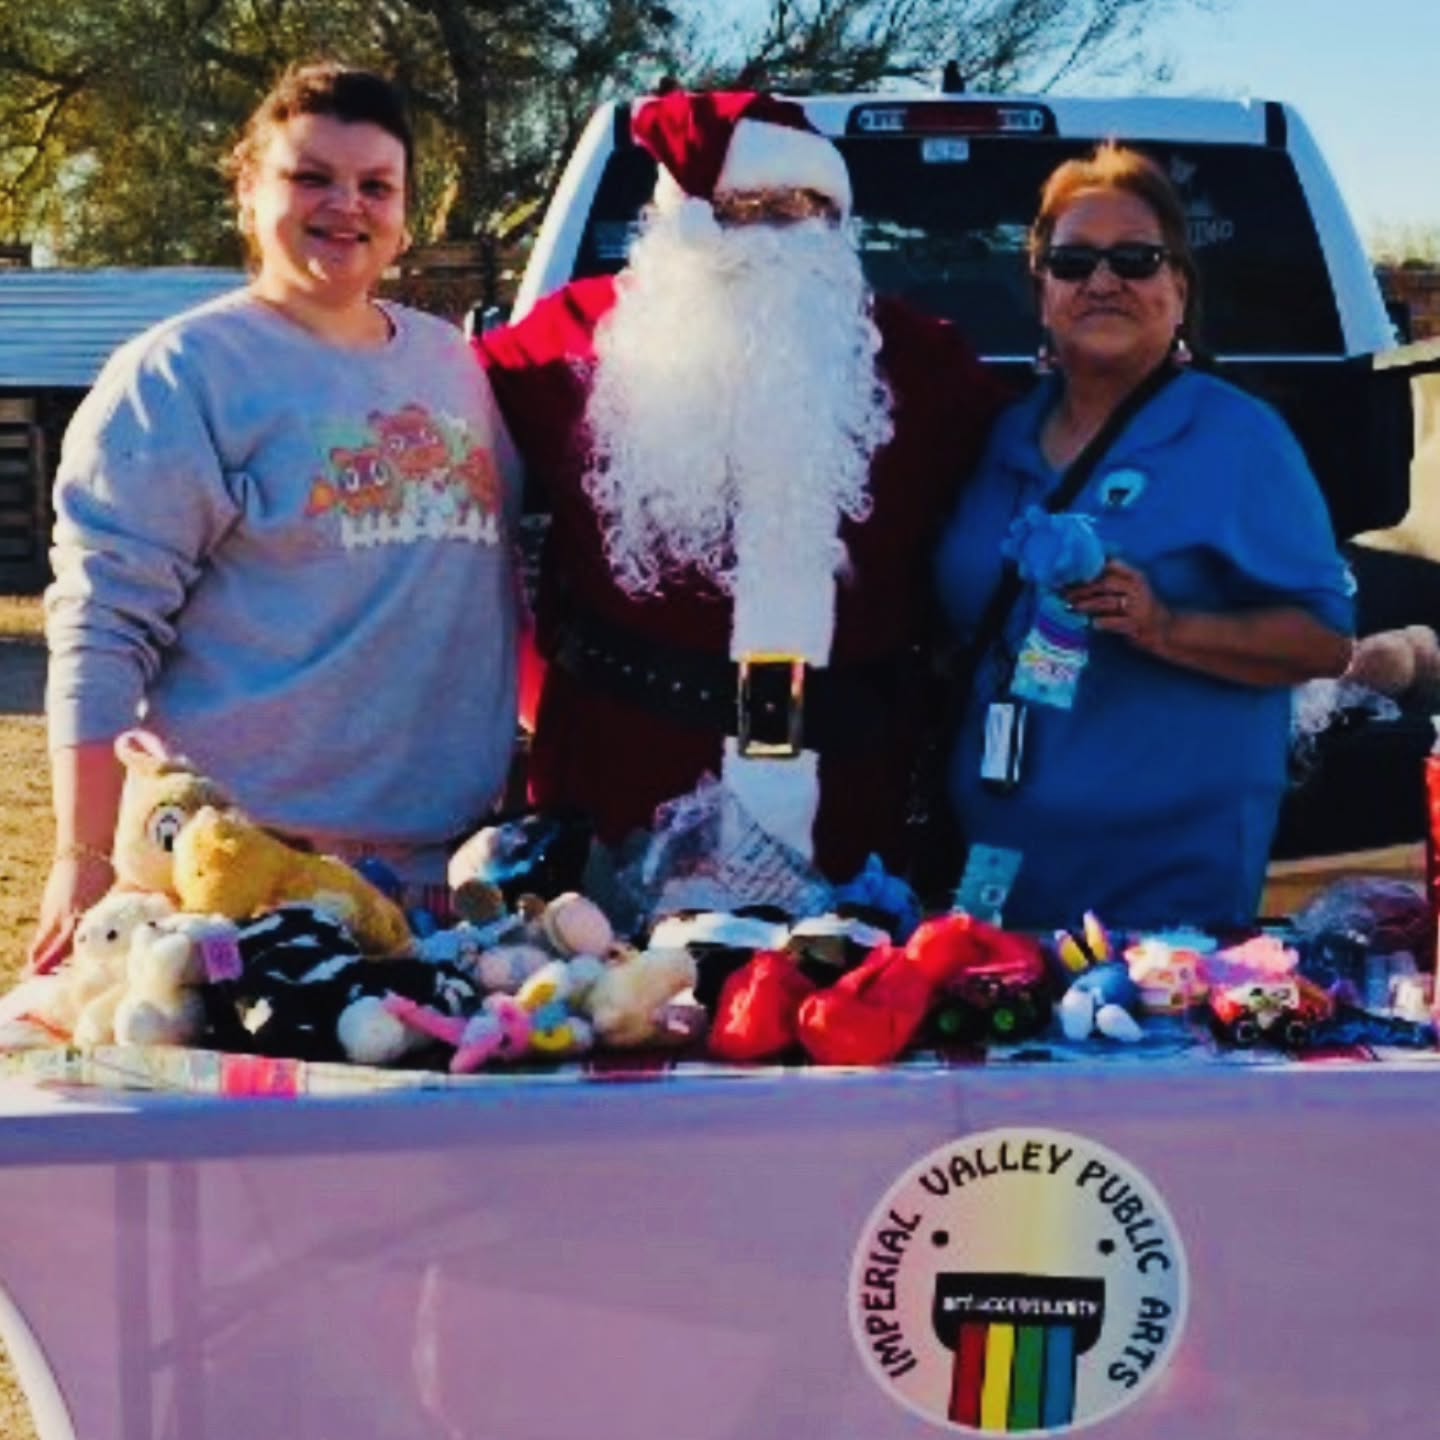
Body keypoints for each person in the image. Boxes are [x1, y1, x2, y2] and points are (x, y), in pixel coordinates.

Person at [30, 63, 520, 970]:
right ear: (249, 191)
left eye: (377, 184)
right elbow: (102, 627)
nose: (348, 205)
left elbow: (503, 587)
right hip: (239, 879)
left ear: (407, 211)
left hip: (441, 883)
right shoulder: (182, 374)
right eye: (311, 177)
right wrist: (83, 859)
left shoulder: (456, 366)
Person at [477, 89, 1005, 883]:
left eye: (799, 207)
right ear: (680, 222)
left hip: (852, 804)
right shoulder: (568, 347)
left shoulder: (924, 365)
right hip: (621, 790)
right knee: (616, 1005)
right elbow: (415, 430)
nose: (768, 236)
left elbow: (1057, 464)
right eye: (740, 207)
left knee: (839, 1001)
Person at [935, 142, 1354, 931]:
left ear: (1178, 288)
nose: (1102, 281)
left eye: (1135, 258)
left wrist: (1167, 626)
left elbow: (1324, 643)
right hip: (997, 854)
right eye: (1073, 262)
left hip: (1165, 879)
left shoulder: (1237, 439)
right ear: (1042, 292)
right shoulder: (1001, 436)